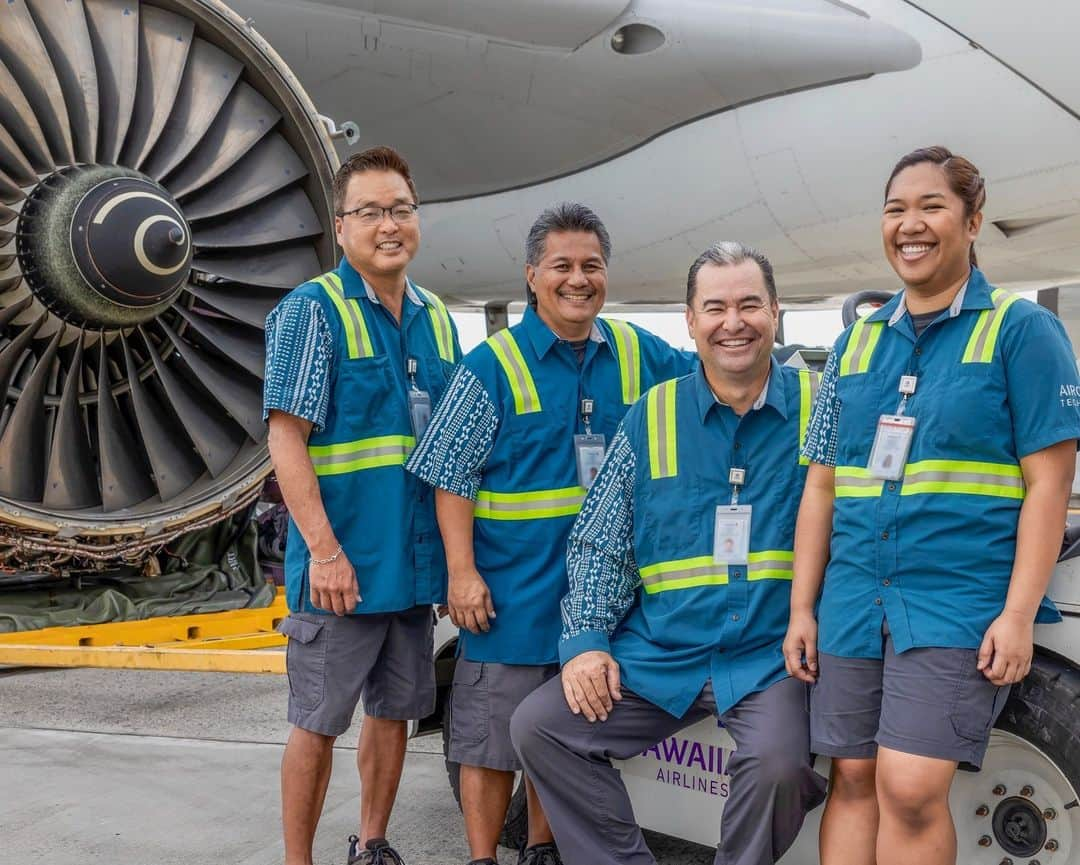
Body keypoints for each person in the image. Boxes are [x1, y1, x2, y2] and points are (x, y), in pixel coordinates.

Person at [783, 146, 1080, 865]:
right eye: (895, 210)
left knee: (911, 787)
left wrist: (1016, 612)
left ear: (973, 220)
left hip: (952, 596)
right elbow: (820, 485)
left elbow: (1049, 484)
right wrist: (802, 607)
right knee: (851, 775)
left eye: (931, 207)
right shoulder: (854, 345)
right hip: (854, 595)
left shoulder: (1020, 331)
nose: (909, 225)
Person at [510, 242, 827, 865]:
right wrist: (587, 641)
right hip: (660, 654)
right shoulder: (651, 415)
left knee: (780, 767)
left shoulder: (820, 408)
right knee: (539, 727)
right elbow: (600, 540)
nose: (732, 323)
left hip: (770, 659)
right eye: (715, 307)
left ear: (776, 311)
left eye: (749, 305)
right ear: (690, 320)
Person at [407, 203, 694, 865]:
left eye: (591, 265)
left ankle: (540, 848)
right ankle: (483, 856)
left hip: (597, 603)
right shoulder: (491, 366)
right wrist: (461, 572)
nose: (578, 278)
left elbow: (713, 371)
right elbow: (449, 475)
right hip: (510, 593)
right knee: (486, 740)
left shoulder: (635, 351)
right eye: (561, 265)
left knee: (561, 732)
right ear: (532, 275)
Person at [264, 146, 461, 865]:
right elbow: (286, 442)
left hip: (409, 570)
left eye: (401, 210)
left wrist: (446, 563)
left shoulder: (438, 318)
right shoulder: (310, 312)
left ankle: (372, 842)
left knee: (395, 713)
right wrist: (324, 551)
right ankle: (298, 859)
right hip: (339, 568)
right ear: (341, 226)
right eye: (371, 211)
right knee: (316, 721)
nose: (389, 225)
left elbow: (448, 449)